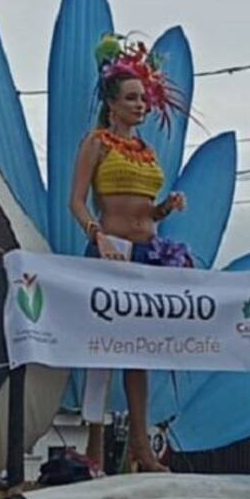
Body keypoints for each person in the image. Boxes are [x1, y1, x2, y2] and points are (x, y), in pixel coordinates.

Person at [70, 35, 191, 473]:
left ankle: (142, 446)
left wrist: (165, 208)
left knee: (140, 351)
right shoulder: (97, 143)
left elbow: (147, 210)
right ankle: (94, 447)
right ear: (112, 103)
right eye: (132, 98)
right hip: (112, 250)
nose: (141, 105)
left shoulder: (146, 151)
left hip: (147, 252)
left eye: (144, 98)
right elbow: (76, 201)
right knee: (103, 349)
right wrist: (98, 236)